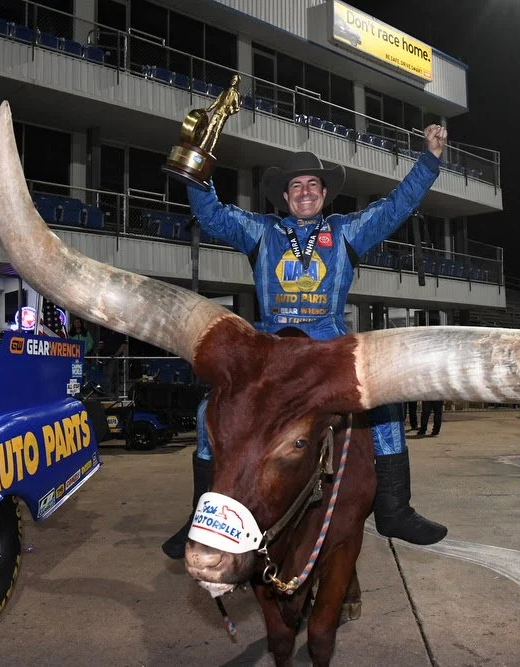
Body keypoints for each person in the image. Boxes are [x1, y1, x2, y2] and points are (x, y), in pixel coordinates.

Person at [161, 125, 451, 559]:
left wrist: (429, 161)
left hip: (329, 347)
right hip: (271, 348)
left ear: (324, 194)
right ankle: (197, 513)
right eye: (295, 186)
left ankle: (394, 507)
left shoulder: (347, 231)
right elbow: (212, 215)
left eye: (312, 185)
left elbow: (395, 208)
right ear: (284, 197)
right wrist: (196, 161)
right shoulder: (260, 232)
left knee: (387, 407)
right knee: (209, 410)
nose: (304, 192)